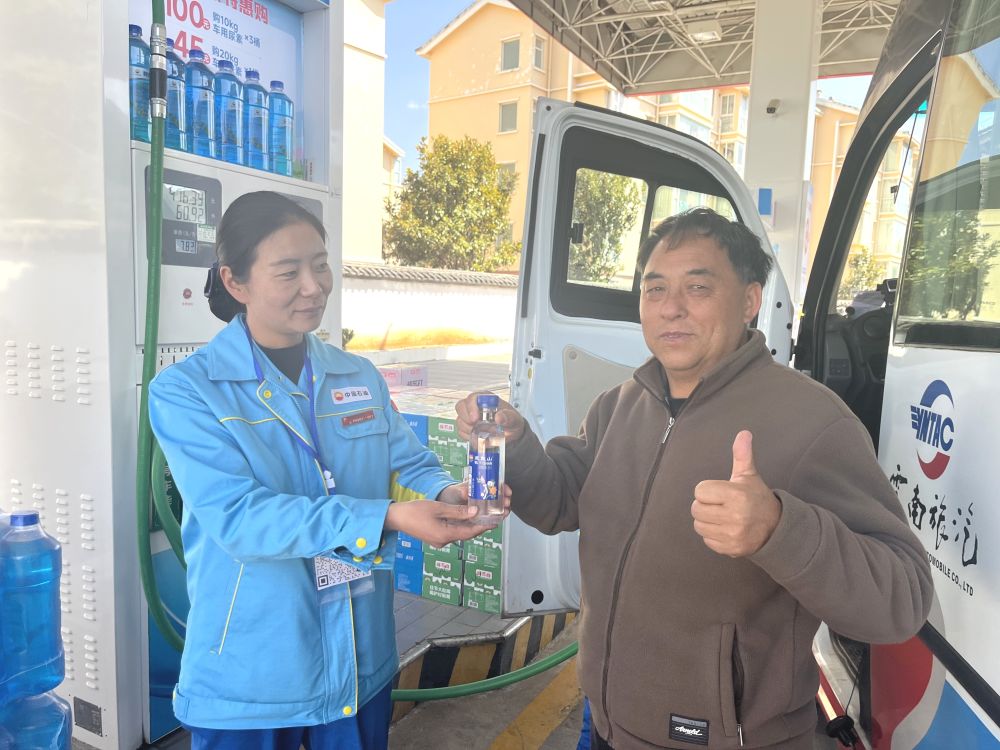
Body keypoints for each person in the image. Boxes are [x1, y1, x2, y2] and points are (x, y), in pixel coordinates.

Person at [455, 208, 933, 750]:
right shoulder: (619, 403)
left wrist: (780, 529)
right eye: (654, 289)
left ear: (750, 301)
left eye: (698, 287)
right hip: (609, 723)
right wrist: (517, 446)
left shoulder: (814, 423)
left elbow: (903, 598)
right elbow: (560, 500)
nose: (671, 307)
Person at [149, 191, 505, 750]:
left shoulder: (355, 374)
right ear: (236, 282)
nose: (313, 286)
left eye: (320, 265)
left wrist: (447, 493)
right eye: (289, 271)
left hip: (360, 662)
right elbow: (239, 518)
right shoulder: (188, 391)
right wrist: (388, 516)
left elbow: (409, 459)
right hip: (255, 675)